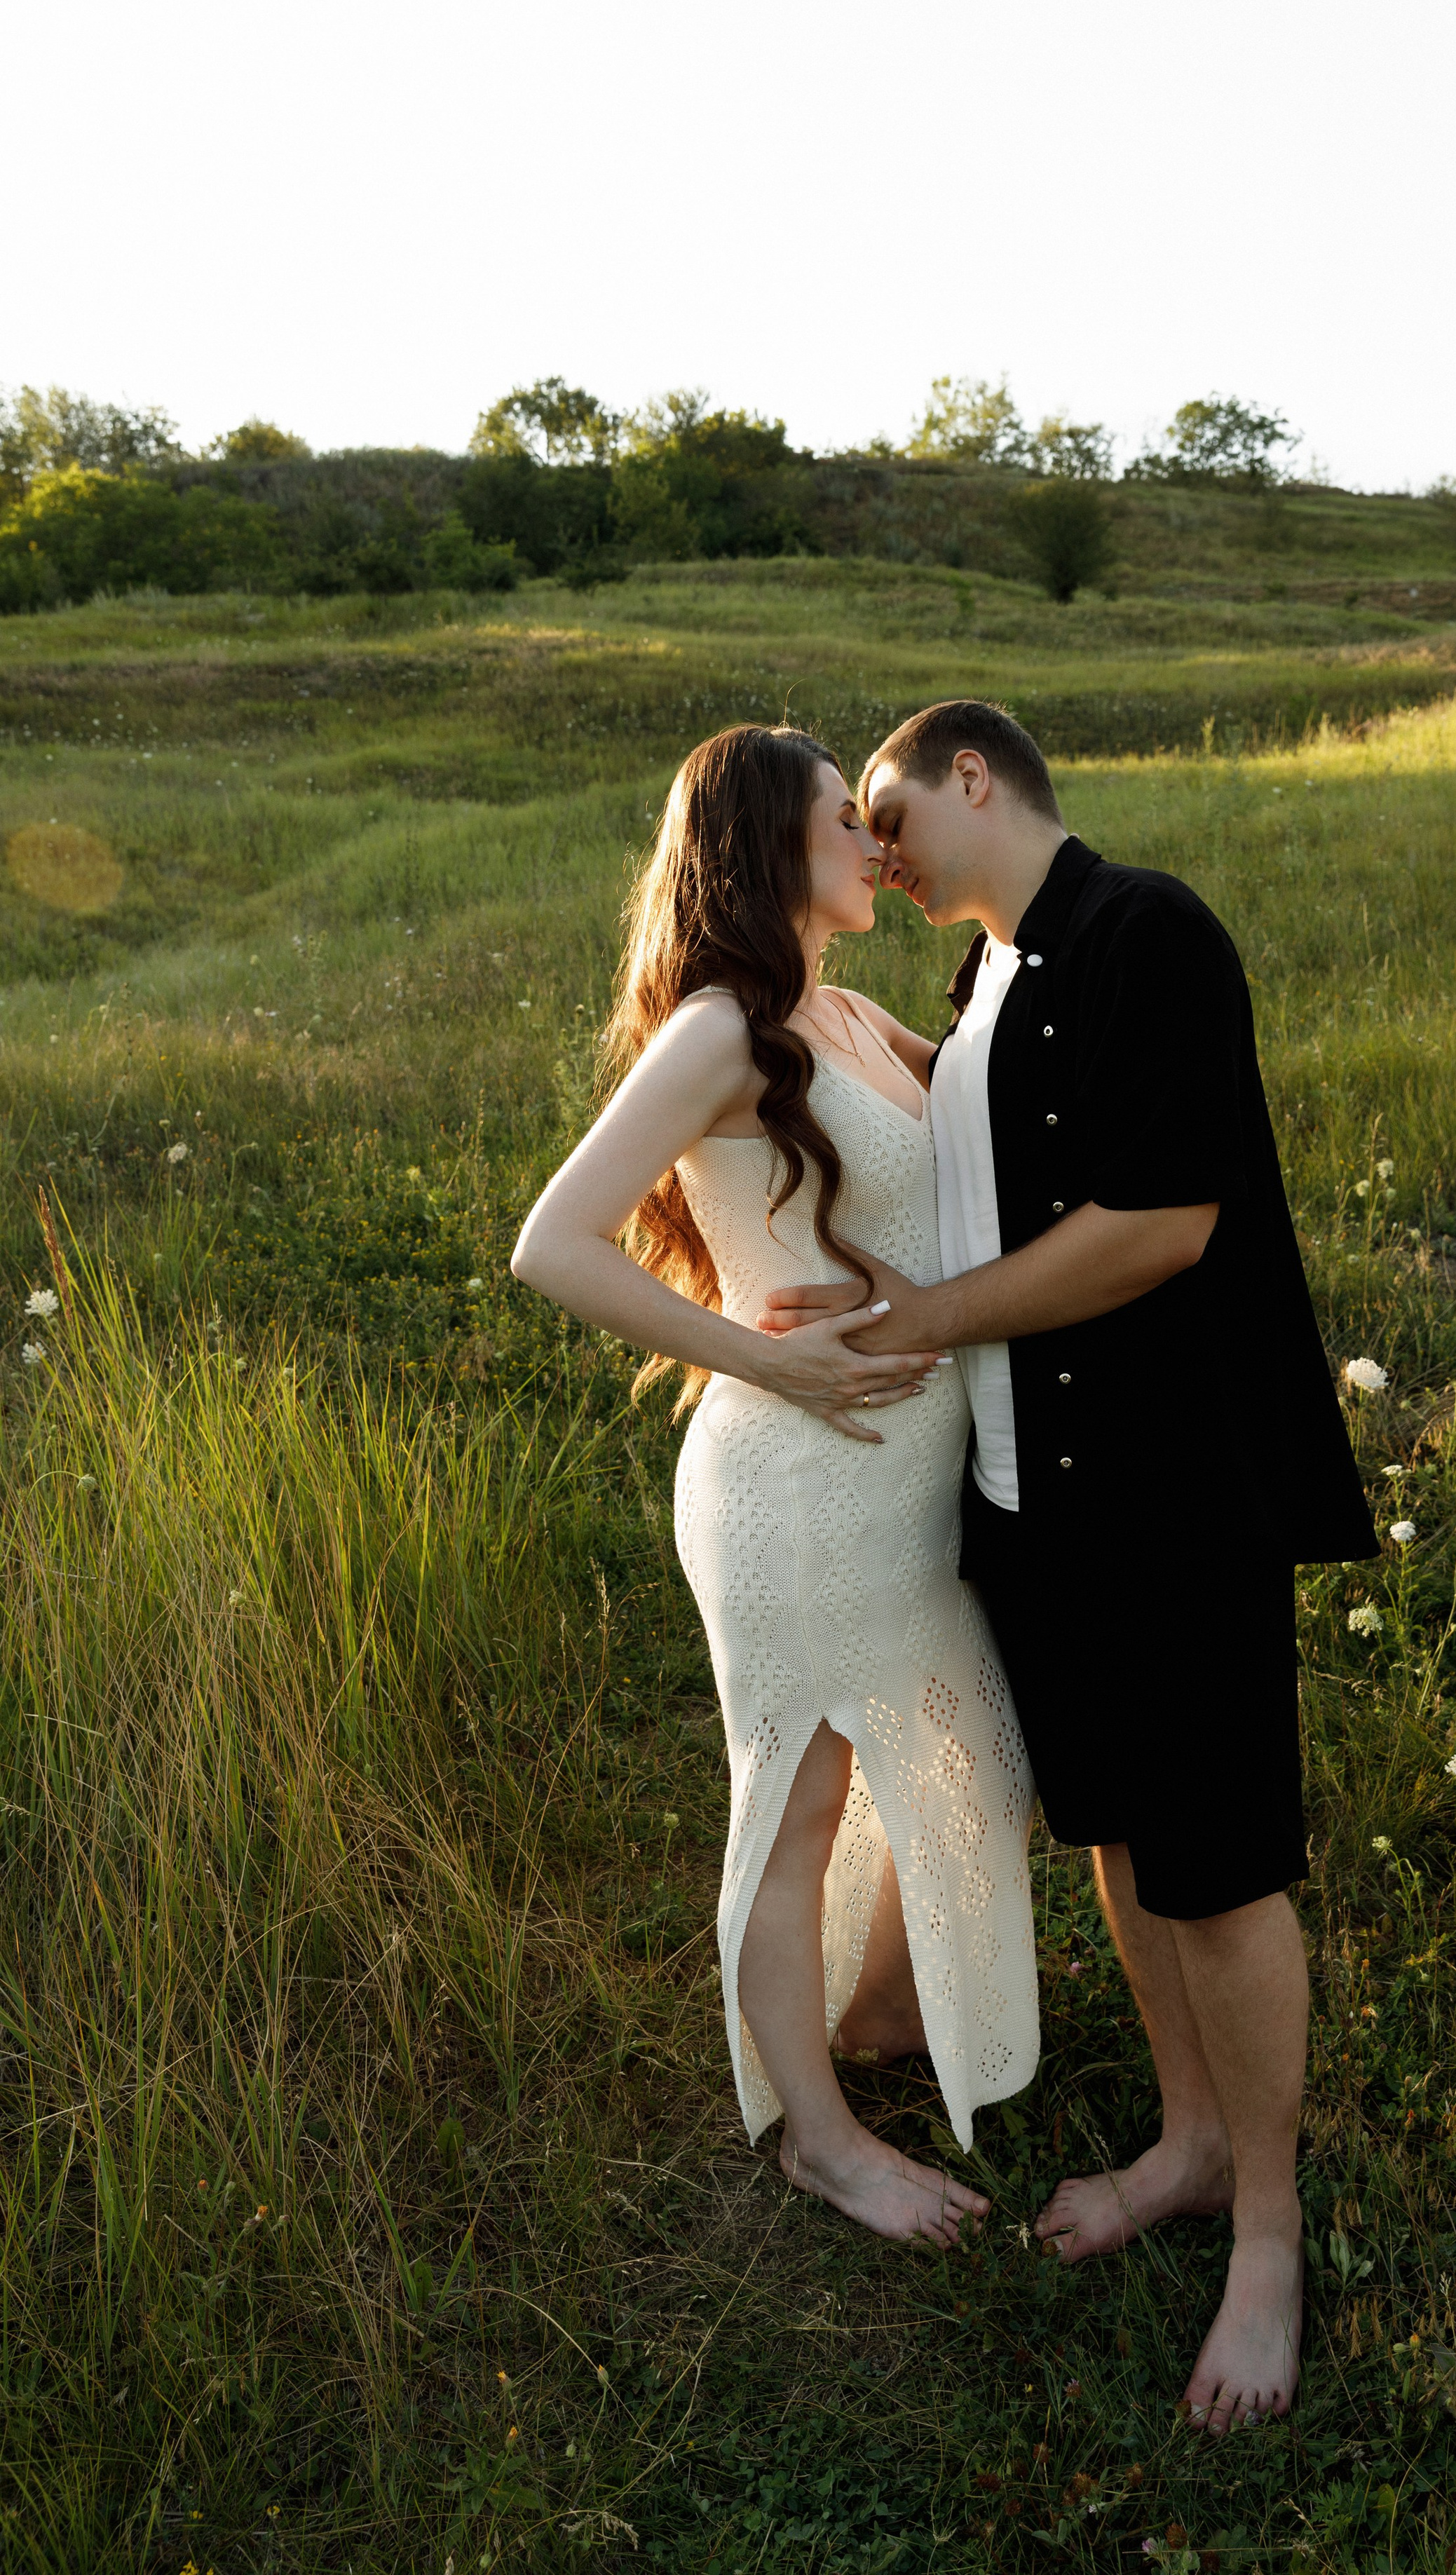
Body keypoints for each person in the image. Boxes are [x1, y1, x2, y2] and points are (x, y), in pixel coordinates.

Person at [759, 700, 1377, 2428]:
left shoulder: (1140, 931)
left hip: (1173, 1497)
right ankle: (1184, 2139)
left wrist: (931, 1320)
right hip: (1031, 1504)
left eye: (889, 814)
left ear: (975, 776)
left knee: (1220, 1863)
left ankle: (1267, 2228)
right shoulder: (980, 986)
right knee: (1112, 1829)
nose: (878, 851)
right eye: (854, 833)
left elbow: (1158, 1223)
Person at [510, 722, 1038, 2249]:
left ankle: (873, 2017)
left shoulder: (852, 1011)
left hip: (903, 1479)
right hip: (794, 1482)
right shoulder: (724, 1032)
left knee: (969, 1765)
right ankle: (817, 2137)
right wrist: (768, 1360)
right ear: (760, 845)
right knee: (798, 1798)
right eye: (840, 820)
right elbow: (553, 1243)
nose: (875, 848)